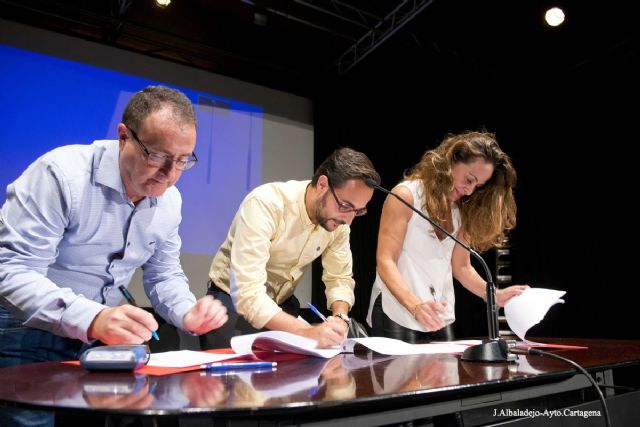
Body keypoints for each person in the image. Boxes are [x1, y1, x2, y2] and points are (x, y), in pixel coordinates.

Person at [0, 85, 228, 427]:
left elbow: (163, 273)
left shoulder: (170, 201)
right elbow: (12, 269)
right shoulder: (61, 174)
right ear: (124, 137)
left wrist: (186, 310)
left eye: (182, 160)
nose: (170, 175)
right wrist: (92, 317)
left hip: (101, 342)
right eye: (157, 156)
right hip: (28, 329)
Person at [199, 148, 380, 350]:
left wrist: (339, 316)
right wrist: (307, 332)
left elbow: (339, 277)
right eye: (345, 206)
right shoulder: (267, 203)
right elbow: (247, 294)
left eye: (358, 210)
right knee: (231, 379)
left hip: (282, 306)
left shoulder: (339, 222)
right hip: (231, 307)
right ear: (322, 184)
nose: (349, 219)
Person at [367, 131, 527, 342]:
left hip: (438, 314)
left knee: (447, 374)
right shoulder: (406, 196)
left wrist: (493, 296)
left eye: (477, 186)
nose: (469, 190)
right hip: (397, 310)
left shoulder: (460, 212)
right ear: (451, 160)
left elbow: (462, 267)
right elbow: (385, 261)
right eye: (469, 179)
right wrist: (415, 305)